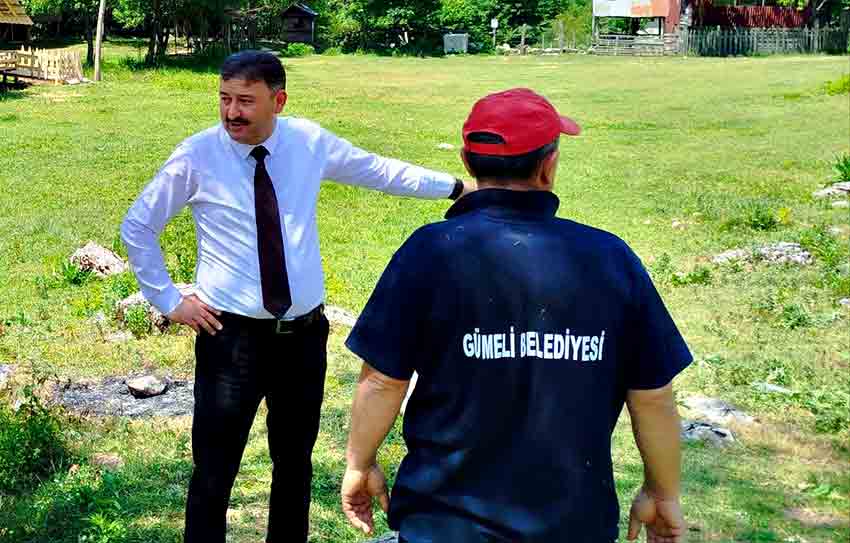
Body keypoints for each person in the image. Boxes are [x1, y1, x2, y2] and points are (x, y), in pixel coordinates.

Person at [120, 50, 472, 543]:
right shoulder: (197, 156)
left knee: (294, 464)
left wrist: (455, 187)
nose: (231, 112)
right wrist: (168, 300)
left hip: (303, 338)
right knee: (215, 467)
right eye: (224, 98)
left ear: (278, 100)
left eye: (245, 100)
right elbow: (138, 225)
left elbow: (379, 171)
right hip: (230, 339)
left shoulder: (308, 142)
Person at [341, 88, 691, 543]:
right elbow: (653, 396)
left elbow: (382, 381)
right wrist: (662, 492)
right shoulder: (610, 258)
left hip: (444, 524)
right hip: (572, 525)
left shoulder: (428, 252)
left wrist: (359, 463)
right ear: (548, 166)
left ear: (467, 163)